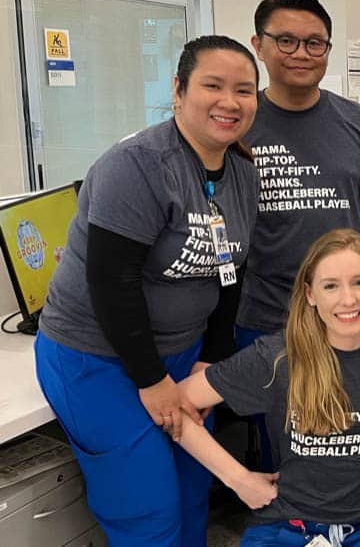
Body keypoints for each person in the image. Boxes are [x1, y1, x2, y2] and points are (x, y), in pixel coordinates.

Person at [34, 35, 260, 546]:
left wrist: (210, 361)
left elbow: (232, 271)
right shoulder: (137, 165)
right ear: (178, 90)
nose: (230, 101)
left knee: (190, 487)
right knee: (147, 505)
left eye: (244, 90)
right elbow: (110, 282)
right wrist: (151, 378)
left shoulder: (242, 172)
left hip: (182, 352)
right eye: (213, 86)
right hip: (100, 357)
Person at [174, 229, 360, 546]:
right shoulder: (276, 358)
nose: (348, 299)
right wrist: (239, 479)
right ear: (310, 294)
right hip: (283, 526)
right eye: (331, 286)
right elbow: (177, 404)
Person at [237, 0, 360, 349]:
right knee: (271, 407)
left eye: (314, 44)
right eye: (286, 41)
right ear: (258, 46)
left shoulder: (359, 122)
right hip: (264, 315)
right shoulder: (239, 123)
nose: (301, 54)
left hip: (344, 314)